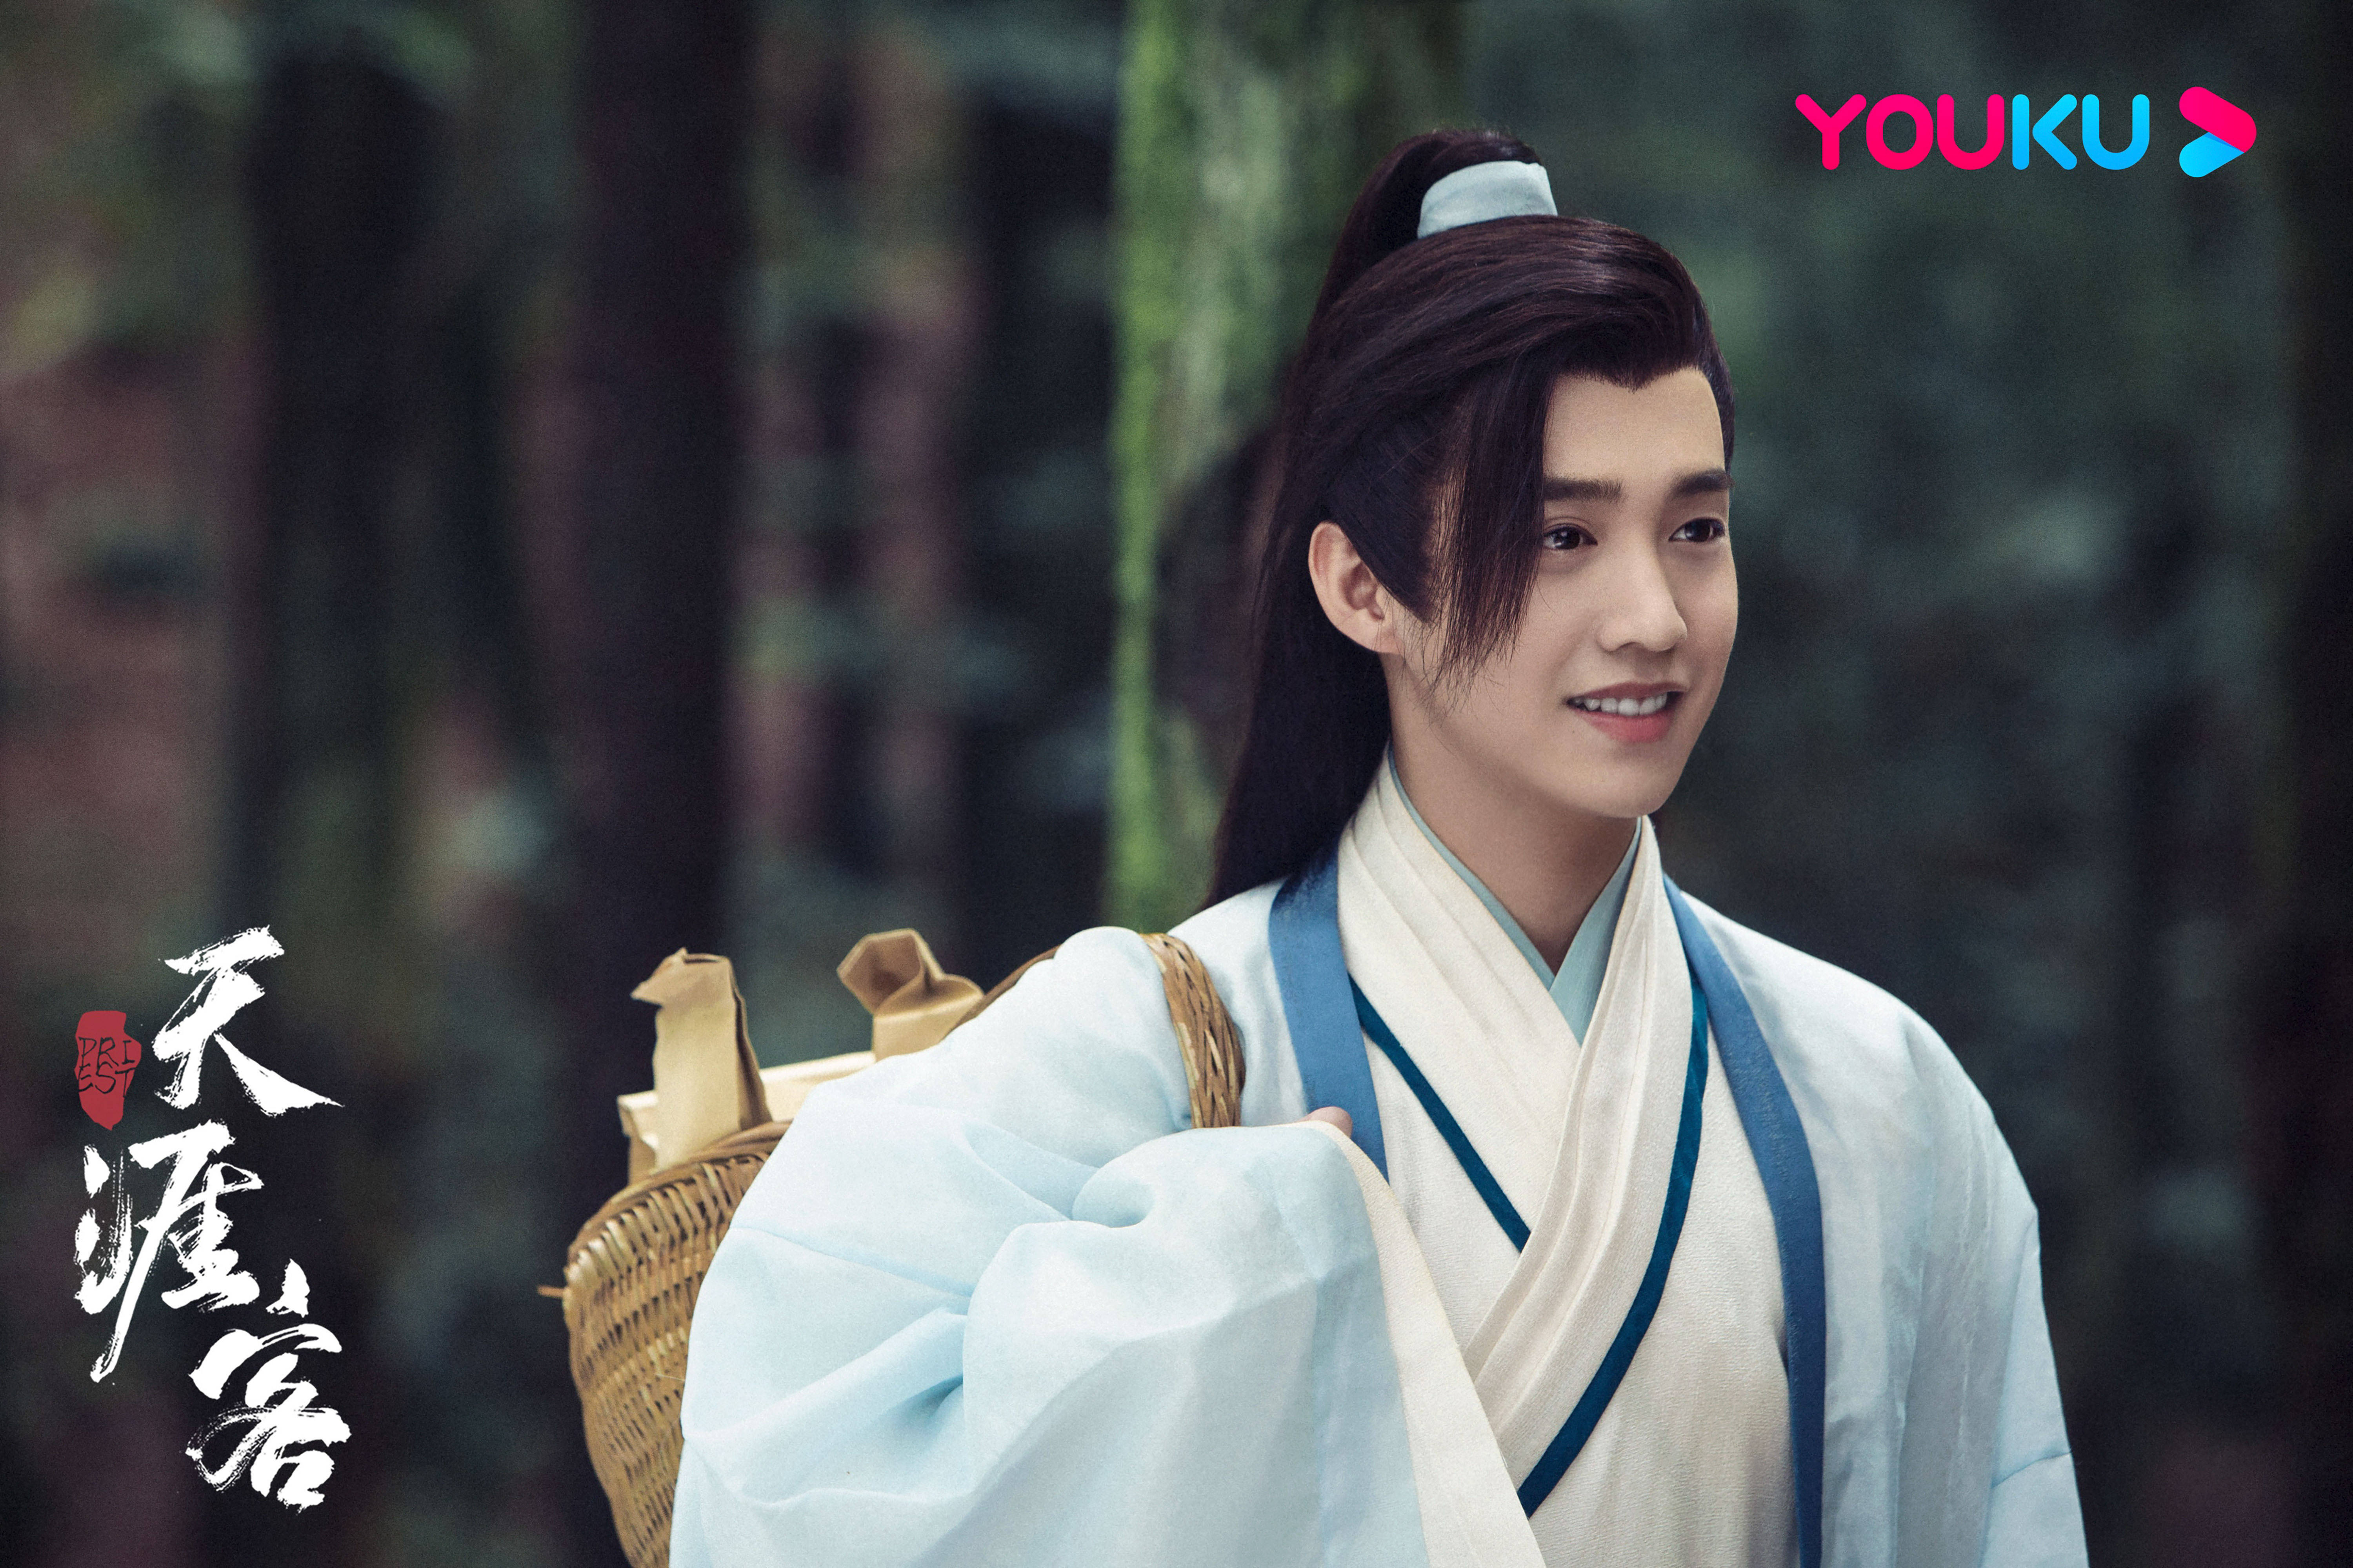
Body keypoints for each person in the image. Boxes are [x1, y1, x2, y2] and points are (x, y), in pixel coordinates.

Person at [670, 129, 2087, 1568]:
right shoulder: (1150, 1051)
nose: (1655, 617)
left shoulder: (1874, 1095)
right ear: (1361, 587)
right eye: (1562, 539)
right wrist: (1245, 1253)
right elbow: (784, 1471)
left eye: (1698, 527)